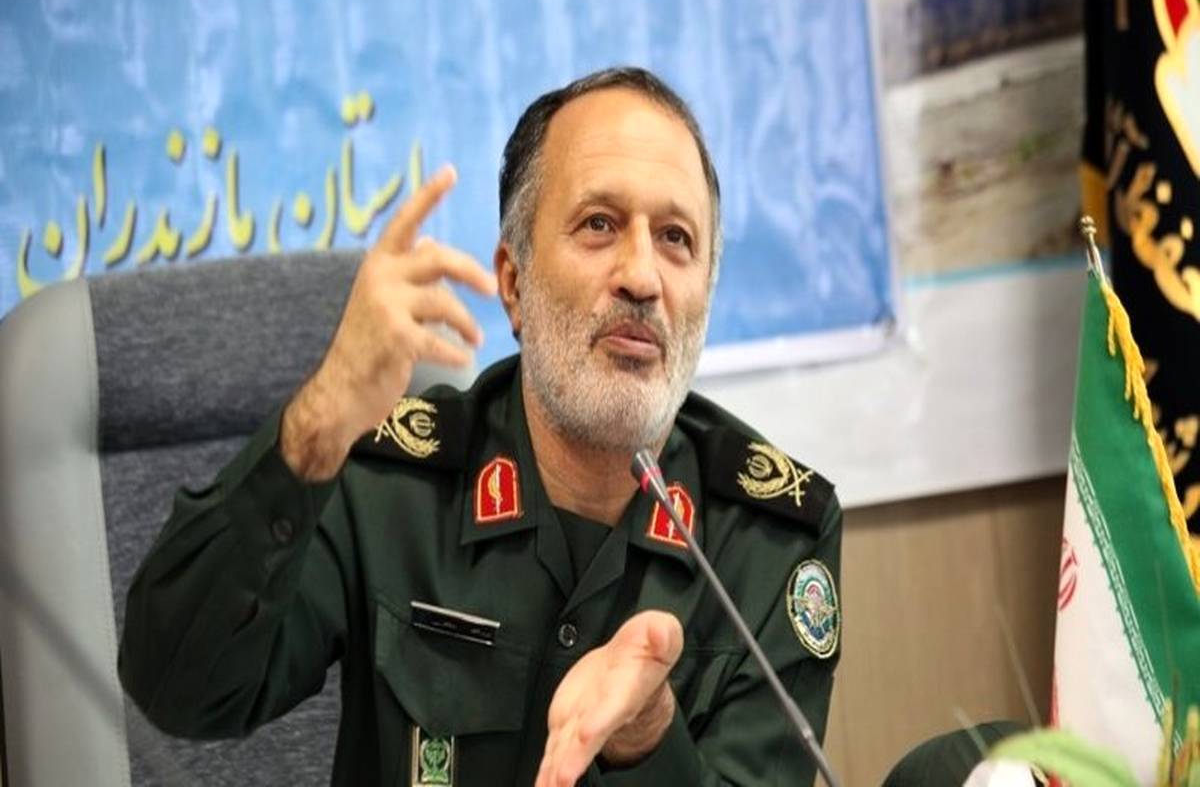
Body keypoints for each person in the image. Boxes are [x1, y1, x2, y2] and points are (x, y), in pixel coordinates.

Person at [119, 66, 843, 787]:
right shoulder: (387, 480)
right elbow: (179, 686)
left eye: (676, 238)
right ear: (513, 282)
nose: (642, 277)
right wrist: (319, 423)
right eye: (599, 224)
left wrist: (648, 737)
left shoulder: (771, 541)